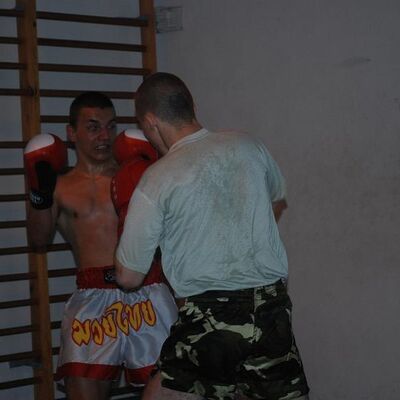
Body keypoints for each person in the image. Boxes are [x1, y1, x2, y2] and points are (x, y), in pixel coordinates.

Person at [115, 72, 309, 400]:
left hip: (210, 314)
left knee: (159, 394)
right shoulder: (248, 145)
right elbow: (276, 201)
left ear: (150, 122)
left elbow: (128, 277)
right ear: (192, 107)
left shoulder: (157, 178)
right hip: (271, 309)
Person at [24, 91, 177, 400]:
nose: (104, 136)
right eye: (93, 127)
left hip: (146, 291)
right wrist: (39, 191)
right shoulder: (59, 186)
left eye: (111, 126)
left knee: (172, 389)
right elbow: (38, 239)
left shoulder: (137, 173)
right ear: (71, 133)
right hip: (92, 299)